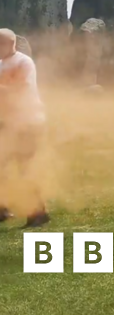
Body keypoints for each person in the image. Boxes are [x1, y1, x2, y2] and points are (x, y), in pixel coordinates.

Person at [0, 28, 50, 228]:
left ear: (9, 44)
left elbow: (21, 90)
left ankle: (38, 212)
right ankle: (2, 209)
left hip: (28, 122)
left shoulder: (24, 62)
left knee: (25, 168)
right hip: (7, 122)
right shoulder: (1, 63)